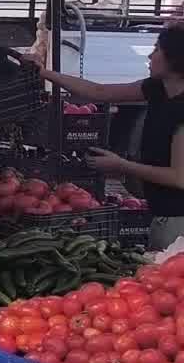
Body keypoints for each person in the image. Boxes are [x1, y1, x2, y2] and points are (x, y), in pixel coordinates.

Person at [41, 26, 184, 249]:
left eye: (156, 49)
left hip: (178, 220)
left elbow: (179, 177)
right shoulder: (157, 88)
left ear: (174, 59)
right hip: (162, 213)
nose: (149, 55)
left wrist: (122, 165)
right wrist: (44, 72)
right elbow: (100, 92)